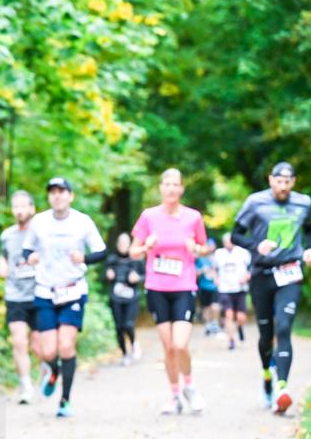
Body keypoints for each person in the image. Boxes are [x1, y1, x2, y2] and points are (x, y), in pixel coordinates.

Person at [232, 162, 311, 414]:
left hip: (290, 272)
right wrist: (255, 245)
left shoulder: (303, 203)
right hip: (261, 274)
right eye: (278, 181)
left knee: (284, 327)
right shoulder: (255, 202)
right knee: (266, 334)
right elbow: (236, 235)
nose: (283, 186)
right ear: (270, 180)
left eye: (287, 181)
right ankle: (267, 377)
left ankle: (282, 386)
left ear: (293, 182)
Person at [22, 176, 107, 417]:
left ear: (71, 196)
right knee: (48, 351)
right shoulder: (39, 222)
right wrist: (31, 257)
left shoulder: (82, 221)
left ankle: (65, 401)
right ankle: (53, 371)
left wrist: (84, 258)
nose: (57, 195)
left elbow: (101, 251)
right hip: (46, 290)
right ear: (49, 197)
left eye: (62, 191)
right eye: (53, 192)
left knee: (66, 344)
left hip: (73, 289)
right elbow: (27, 248)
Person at [130, 168, 208, 415]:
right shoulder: (149, 217)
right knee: (168, 348)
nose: (172, 188)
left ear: (182, 189)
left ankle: (190, 386)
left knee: (180, 344)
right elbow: (133, 251)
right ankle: (174, 396)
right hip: (157, 287)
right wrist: (145, 246)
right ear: (161, 187)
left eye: (176, 184)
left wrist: (195, 247)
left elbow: (205, 248)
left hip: (184, 286)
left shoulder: (193, 217)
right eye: (167, 184)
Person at [0, 190, 40, 403]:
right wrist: (2, 266)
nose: (20, 210)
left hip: (39, 294)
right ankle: (25, 386)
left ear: (32, 209)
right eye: (16, 206)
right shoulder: (6, 235)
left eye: (24, 206)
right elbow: (3, 257)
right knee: (18, 341)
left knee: (38, 345)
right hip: (15, 296)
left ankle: (47, 370)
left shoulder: (41, 233)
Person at [104, 232, 144, 365]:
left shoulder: (136, 260)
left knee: (128, 324)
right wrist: (108, 275)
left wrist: (137, 278)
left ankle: (133, 343)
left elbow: (145, 276)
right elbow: (104, 278)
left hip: (132, 297)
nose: (123, 246)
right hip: (116, 297)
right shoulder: (112, 259)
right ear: (117, 244)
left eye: (126, 243)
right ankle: (124, 353)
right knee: (119, 327)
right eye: (120, 243)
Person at [214, 232, 252, 350]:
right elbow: (214, 268)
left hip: (240, 288)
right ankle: (231, 340)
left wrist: (246, 277)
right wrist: (216, 280)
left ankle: (240, 327)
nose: (228, 244)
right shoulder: (219, 253)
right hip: (225, 288)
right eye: (226, 242)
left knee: (241, 317)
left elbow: (251, 267)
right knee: (229, 315)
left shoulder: (243, 253)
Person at [195, 238, 221, 335]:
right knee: (206, 307)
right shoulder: (200, 259)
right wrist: (202, 271)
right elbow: (195, 273)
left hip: (214, 286)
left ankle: (215, 324)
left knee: (215, 306)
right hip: (203, 286)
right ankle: (208, 325)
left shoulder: (217, 257)